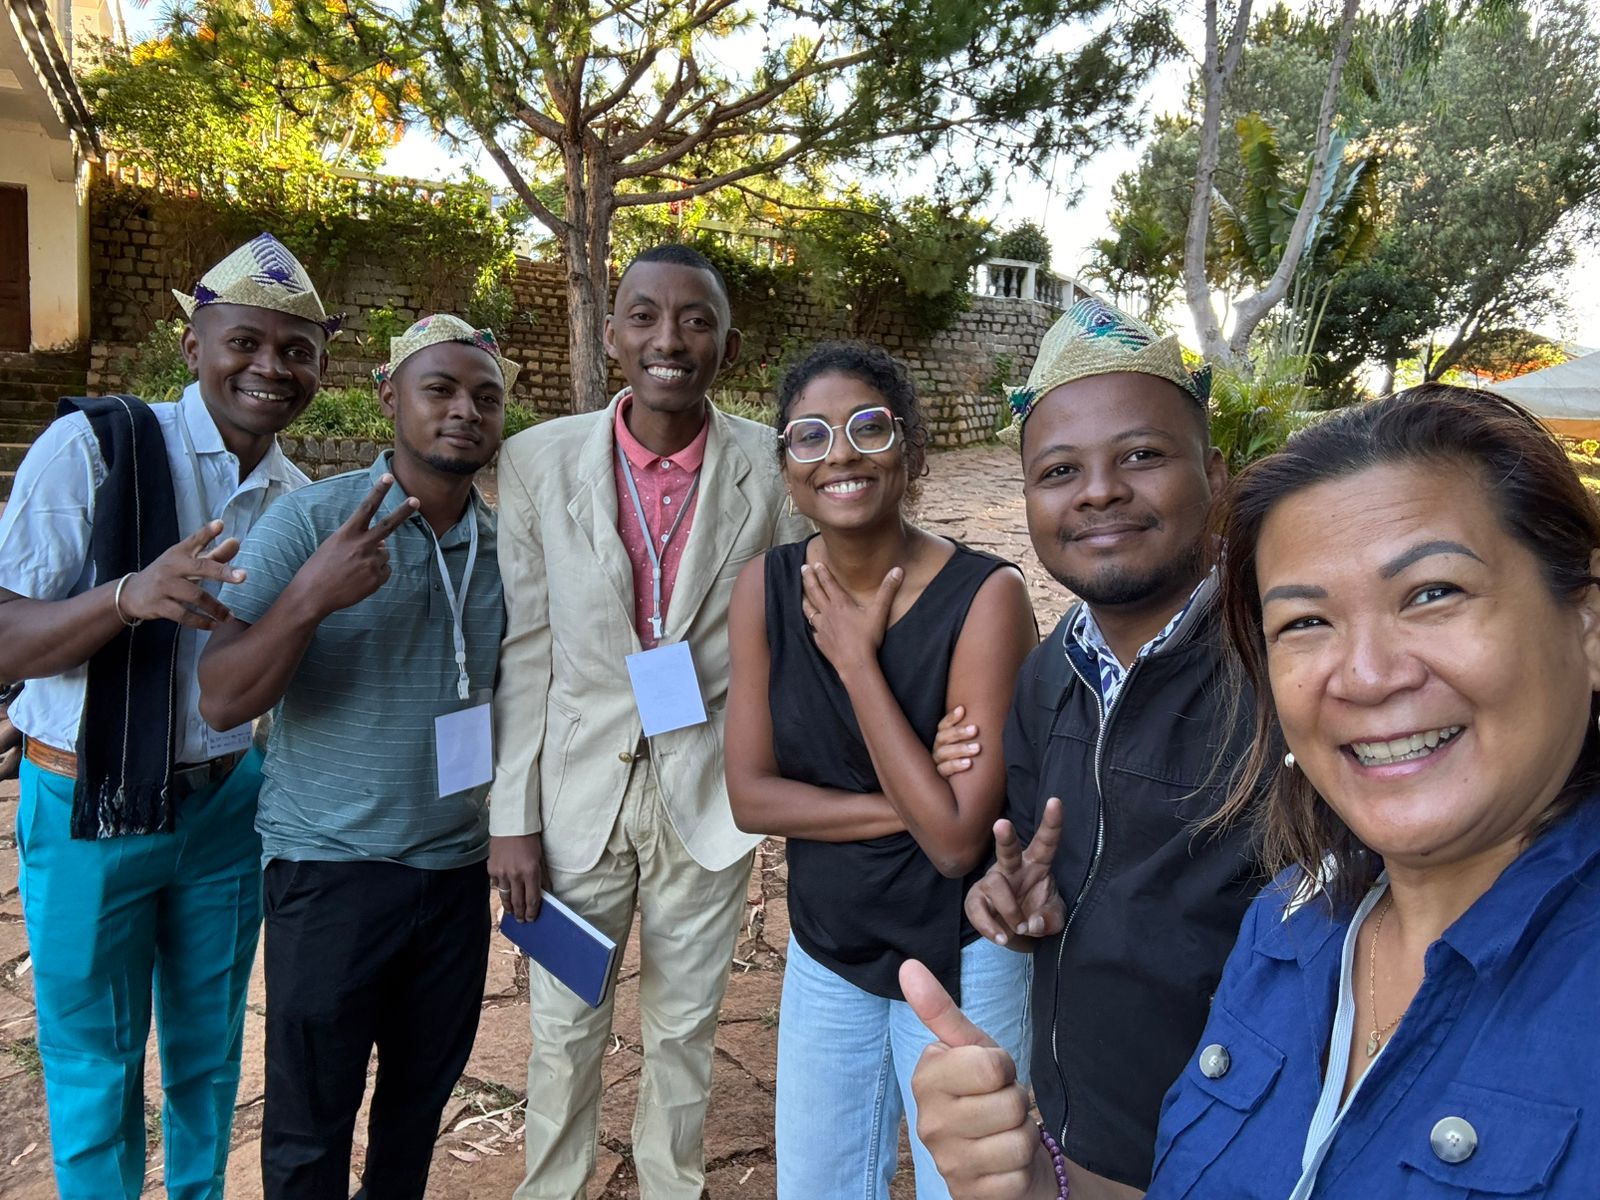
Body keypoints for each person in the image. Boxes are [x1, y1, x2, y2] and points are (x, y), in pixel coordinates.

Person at [907, 383, 1600, 1197]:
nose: (1368, 676)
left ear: (1586, 627)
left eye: (1432, 593)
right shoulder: (1291, 929)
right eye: (1306, 622)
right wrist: (1038, 1181)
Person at [0, 233, 337, 1199]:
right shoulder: (95, 450)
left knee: (208, 1050)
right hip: (85, 805)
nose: (270, 367)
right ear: (194, 346)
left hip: (225, 806)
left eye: (297, 349)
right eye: (246, 341)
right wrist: (125, 598)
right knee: (94, 1056)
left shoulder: (297, 501)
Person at [916, 297, 1265, 1199]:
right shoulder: (1047, 675)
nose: (1098, 490)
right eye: (1059, 469)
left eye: (1141, 455)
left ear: (1216, 476)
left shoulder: (1285, 670)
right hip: (1081, 1142)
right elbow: (1043, 863)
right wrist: (1023, 900)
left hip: (1243, 1154)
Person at [489, 243, 810, 1200]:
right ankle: (551, 1187)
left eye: (696, 319)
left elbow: (797, 630)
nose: (668, 338)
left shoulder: (771, 463)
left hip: (706, 796)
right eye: (644, 316)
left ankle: (674, 1185)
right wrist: (511, 815)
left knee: (684, 1025)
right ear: (610, 333)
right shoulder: (536, 461)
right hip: (576, 796)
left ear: (730, 344)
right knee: (562, 1018)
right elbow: (526, 651)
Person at [195, 314, 514, 1199]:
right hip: (328, 872)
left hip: (453, 872)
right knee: (309, 1127)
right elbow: (220, 695)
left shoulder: (508, 543)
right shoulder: (313, 520)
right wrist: (309, 598)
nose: (464, 412)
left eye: (485, 398)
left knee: (415, 1116)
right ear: (389, 398)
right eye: (440, 390)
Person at [724, 342, 1037, 1198]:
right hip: (829, 948)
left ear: (911, 448)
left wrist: (858, 663)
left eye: (867, 427)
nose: (841, 454)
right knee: (819, 1185)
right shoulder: (764, 589)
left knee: (972, 1188)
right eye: (810, 436)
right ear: (787, 465)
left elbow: (955, 847)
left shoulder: (987, 598)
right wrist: (913, 796)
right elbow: (750, 795)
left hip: (963, 950)